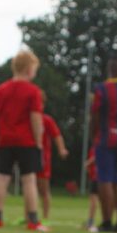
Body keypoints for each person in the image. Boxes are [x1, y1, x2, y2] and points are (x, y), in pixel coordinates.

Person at [0, 50, 46, 231]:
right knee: (29, 180)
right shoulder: (33, 91)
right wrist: (38, 140)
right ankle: (33, 220)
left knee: (2, 177)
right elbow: (35, 117)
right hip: (26, 141)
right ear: (29, 69)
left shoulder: (1, 89)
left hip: (5, 140)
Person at [91, 55, 117, 233]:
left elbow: (95, 113)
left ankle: (107, 220)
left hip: (106, 136)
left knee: (105, 179)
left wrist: (95, 134)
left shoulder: (102, 89)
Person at [37, 91, 68, 223]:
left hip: (44, 159)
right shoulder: (26, 119)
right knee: (29, 187)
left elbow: (57, 135)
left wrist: (61, 149)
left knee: (44, 189)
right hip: (29, 156)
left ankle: (45, 217)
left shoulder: (47, 120)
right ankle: (28, 216)